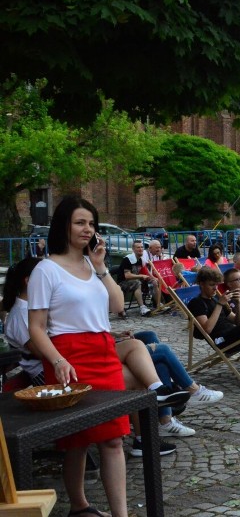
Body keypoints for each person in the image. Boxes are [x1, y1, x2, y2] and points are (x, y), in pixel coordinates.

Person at [26, 195, 187, 517]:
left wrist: (100, 267)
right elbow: (37, 328)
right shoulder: (46, 269)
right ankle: (80, 505)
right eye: (80, 223)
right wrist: (58, 360)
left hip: (102, 351)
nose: (88, 229)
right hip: (68, 355)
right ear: (64, 226)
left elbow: (115, 305)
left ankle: (120, 514)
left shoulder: (90, 264)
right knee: (78, 440)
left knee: (114, 438)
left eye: (91, 224)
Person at [2, 257, 46, 386]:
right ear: (28, 281)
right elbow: (41, 352)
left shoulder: (32, 306)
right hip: (42, 372)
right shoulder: (20, 314)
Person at [118, 240, 160, 316]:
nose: (140, 249)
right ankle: (142, 307)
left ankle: (158, 304)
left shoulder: (140, 260)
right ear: (133, 249)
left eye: (141, 247)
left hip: (135, 280)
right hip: (123, 283)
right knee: (137, 283)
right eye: (138, 247)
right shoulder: (128, 259)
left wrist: (153, 278)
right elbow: (127, 276)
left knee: (154, 282)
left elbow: (145, 271)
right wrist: (141, 276)